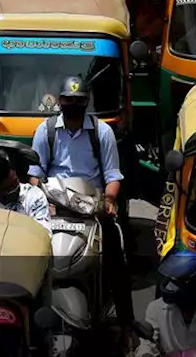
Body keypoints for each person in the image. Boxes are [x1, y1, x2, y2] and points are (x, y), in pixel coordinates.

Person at [26, 75, 130, 333]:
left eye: (79, 100)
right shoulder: (46, 130)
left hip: (90, 206)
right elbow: (35, 173)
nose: (73, 104)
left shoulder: (102, 131)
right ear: (59, 101)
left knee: (116, 256)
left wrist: (107, 200)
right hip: (54, 204)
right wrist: (44, 198)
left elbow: (113, 174)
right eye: (68, 100)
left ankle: (127, 324)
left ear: (86, 103)